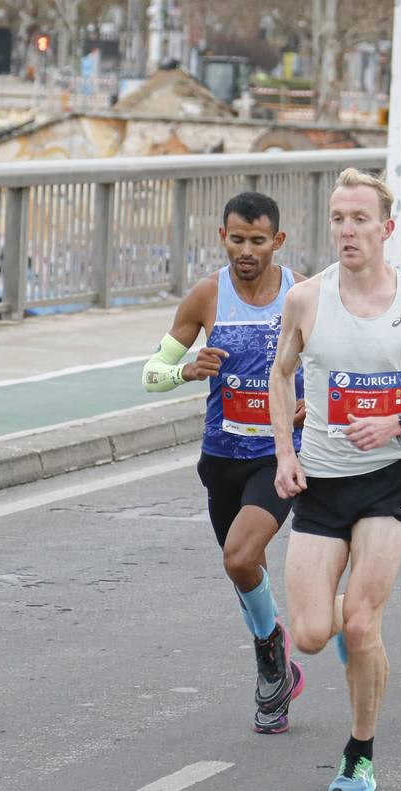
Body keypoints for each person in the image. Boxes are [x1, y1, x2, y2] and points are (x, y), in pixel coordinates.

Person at [269, 168, 401, 791]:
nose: (347, 231)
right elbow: (280, 377)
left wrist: (399, 422)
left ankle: (360, 752)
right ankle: (361, 662)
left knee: (359, 623)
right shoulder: (306, 299)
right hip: (322, 478)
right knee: (310, 634)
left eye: (359, 219)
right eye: (337, 218)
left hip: (390, 478)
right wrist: (284, 454)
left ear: (386, 228)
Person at [141, 191, 308, 735]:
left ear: (276, 242)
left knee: (239, 557)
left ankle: (267, 652)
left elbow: (338, 362)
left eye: (258, 241)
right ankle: (278, 667)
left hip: (277, 455)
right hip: (221, 458)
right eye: (237, 239)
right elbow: (151, 373)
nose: (246, 250)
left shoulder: (302, 294)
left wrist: (318, 403)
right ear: (222, 237)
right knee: (245, 572)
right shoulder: (207, 295)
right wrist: (187, 370)